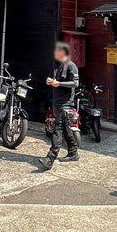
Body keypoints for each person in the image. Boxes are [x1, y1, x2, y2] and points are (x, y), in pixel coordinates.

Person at [41, 41, 79, 169]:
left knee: (57, 130)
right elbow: (52, 79)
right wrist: (49, 81)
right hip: (56, 102)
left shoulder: (71, 66)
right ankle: (74, 153)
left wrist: (60, 84)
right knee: (67, 130)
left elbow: (75, 83)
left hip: (66, 104)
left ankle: (50, 158)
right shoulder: (55, 65)